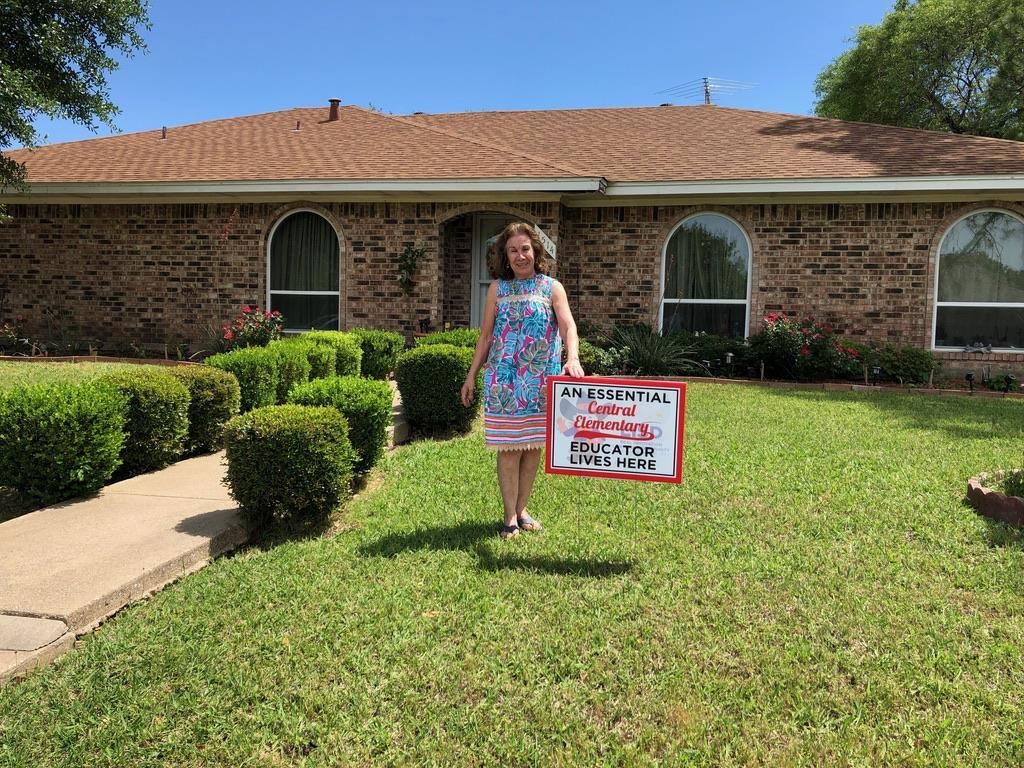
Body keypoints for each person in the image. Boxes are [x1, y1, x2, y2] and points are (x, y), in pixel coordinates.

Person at [460, 221, 585, 540]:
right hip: (504, 383)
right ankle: (509, 517)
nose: (520, 256)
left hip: (541, 383)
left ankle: (522, 510)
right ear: (505, 255)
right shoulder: (497, 289)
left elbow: (568, 326)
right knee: (509, 449)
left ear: (536, 251)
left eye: (525, 249)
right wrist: (471, 374)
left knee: (531, 449)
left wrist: (572, 357)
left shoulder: (551, 287)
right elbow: (486, 335)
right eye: (513, 250)